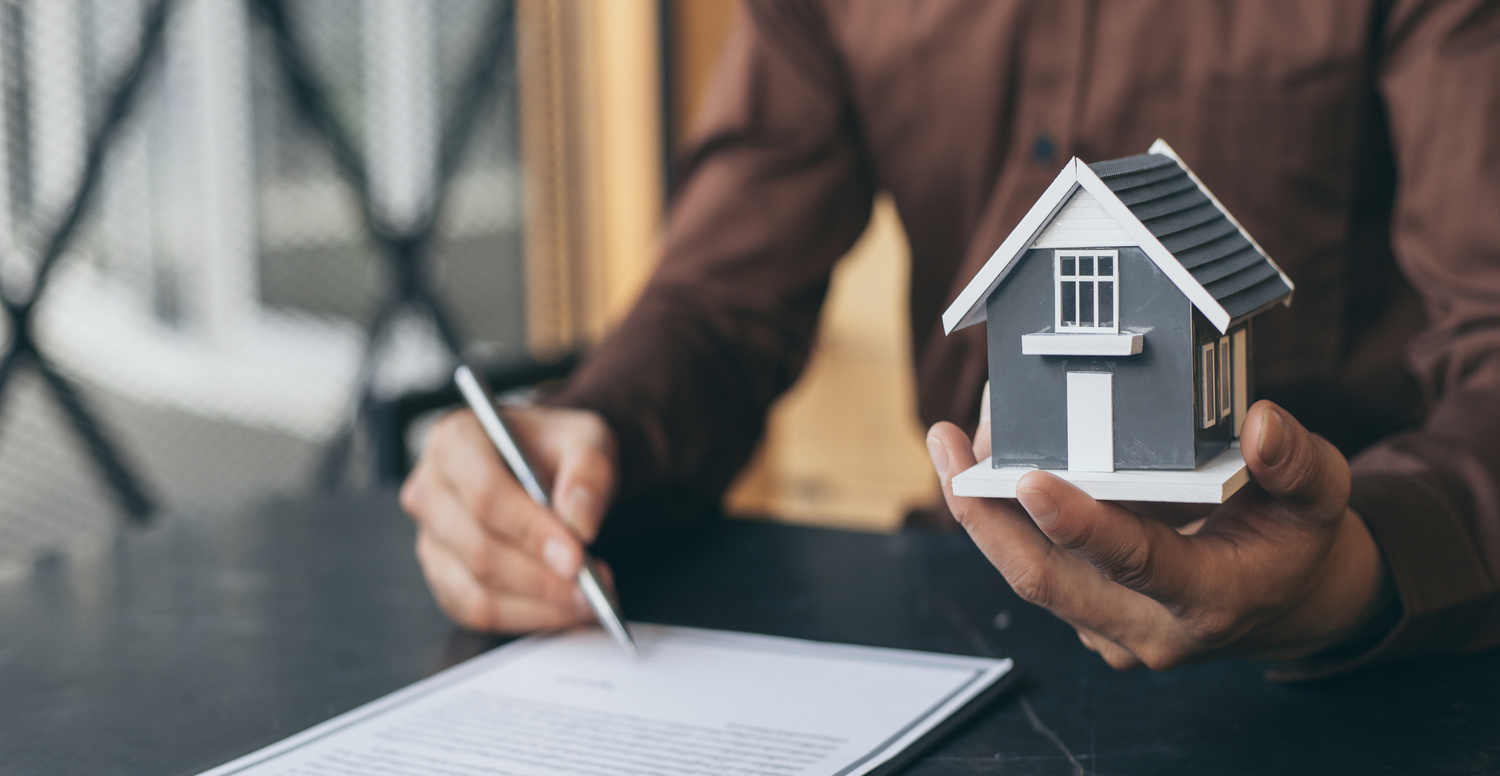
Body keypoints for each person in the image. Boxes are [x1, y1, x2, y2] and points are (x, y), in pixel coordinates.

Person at [400, 0, 1500, 674]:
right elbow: (716, 305)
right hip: (966, 629)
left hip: (1365, 666)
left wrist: (1360, 568)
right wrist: (588, 437)